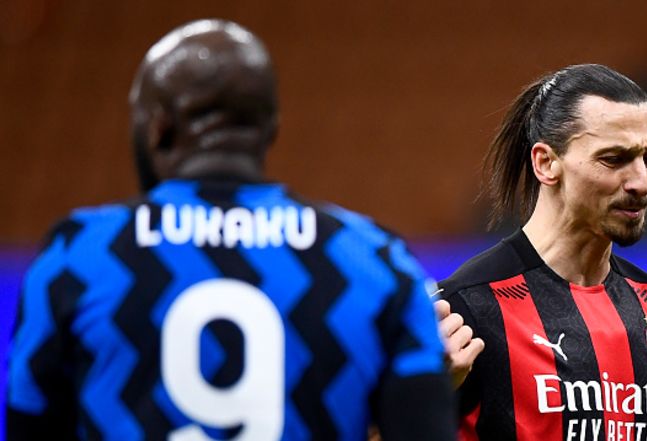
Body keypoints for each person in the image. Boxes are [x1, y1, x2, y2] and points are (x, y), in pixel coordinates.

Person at [5, 19, 458, 440]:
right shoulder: (374, 261)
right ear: (271, 129)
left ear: (156, 127)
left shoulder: (78, 257)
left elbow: (29, 422)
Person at [437, 63, 647, 440]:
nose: (641, 182)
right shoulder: (463, 314)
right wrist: (423, 395)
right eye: (614, 159)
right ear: (546, 163)